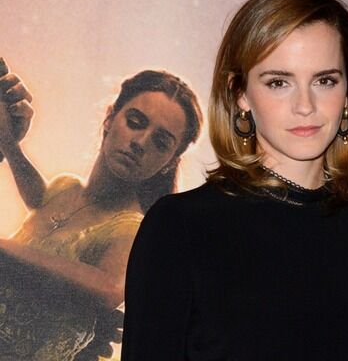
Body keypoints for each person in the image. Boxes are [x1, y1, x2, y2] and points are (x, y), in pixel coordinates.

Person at [122, 0, 348, 361]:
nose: (305, 105)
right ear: (240, 93)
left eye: (325, 80)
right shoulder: (180, 228)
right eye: (279, 82)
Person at [0, 67, 202, 361]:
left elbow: (111, 288)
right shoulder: (64, 188)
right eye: (135, 122)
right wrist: (9, 143)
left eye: (160, 142)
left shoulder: (134, 228)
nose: (140, 142)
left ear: (170, 162)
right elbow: (38, 197)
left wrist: (4, 249)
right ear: (110, 118)